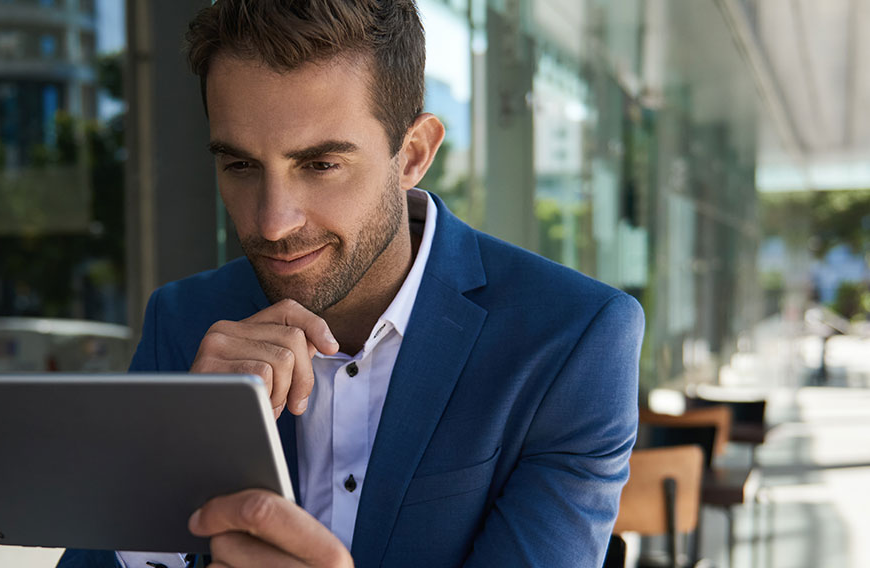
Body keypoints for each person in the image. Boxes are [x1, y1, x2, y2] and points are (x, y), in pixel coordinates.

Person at [59, 0, 642, 566]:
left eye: (320, 165)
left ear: (413, 153)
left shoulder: (572, 340)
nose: (272, 222)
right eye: (240, 165)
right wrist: (171, 475)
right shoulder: (183, 321)